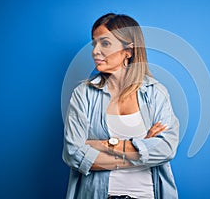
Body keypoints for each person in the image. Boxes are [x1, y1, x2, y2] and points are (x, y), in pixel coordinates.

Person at [62, 13, 180, 199]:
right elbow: (74, 154)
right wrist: (142, 151)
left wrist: (105, 145)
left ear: (129, 51)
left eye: (105, 43)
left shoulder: (156, 93)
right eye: (94, 43)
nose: (95, 51)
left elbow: (166, 148)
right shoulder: (83, 94)